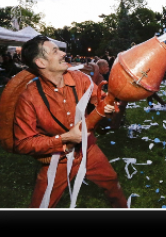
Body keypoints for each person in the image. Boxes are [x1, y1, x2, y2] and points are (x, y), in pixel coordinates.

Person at [13, 35, 126, 208]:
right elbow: (23, 143)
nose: (63, 54)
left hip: (89, 149)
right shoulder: (29, 97)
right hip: (57, 158)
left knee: (111, 180)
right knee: (41, 205)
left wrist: (114, 102)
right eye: (55, 51)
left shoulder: (80, 79)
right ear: (41, 63)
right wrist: (64, 139)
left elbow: (101, 101)